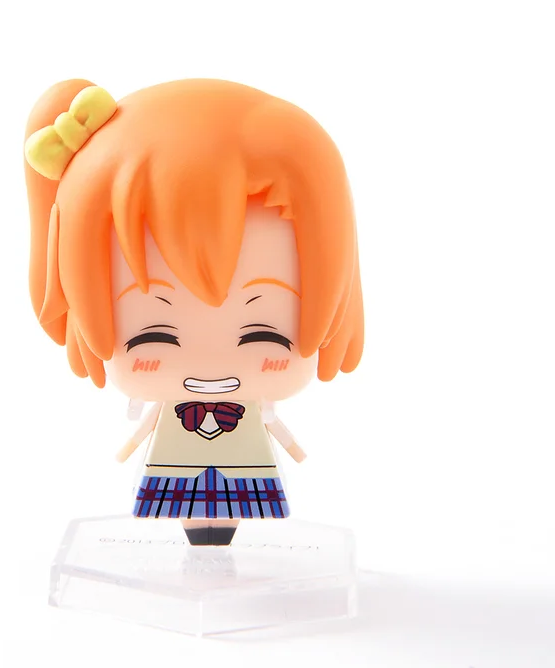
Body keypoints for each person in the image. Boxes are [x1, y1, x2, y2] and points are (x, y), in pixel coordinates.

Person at [23, 77, 364, 545]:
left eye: (264, 333)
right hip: (175, 467)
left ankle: (222, 533)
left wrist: (292, 447)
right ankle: (199, 533)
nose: (210, 366)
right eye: (153, 336)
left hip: (244, 469)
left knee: (240, 493)